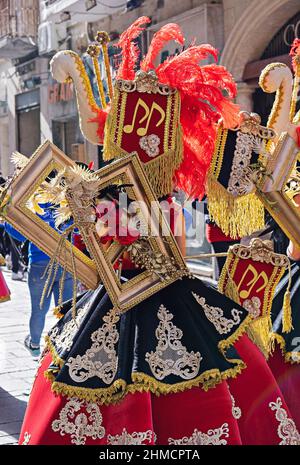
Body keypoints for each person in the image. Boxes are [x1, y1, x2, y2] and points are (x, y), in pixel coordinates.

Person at [18, 18, 299, 445]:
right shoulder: (115, 192)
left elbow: (252, 172)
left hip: (153, 292)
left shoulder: (132, 191)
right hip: (127, 293)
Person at [5, 203, 74, 357]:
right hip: (66, 263)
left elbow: (20, 234)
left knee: (38, 309)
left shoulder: (33, 205)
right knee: (65, 310)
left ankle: (35, 344)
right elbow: (77, 229)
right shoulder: (66, 203)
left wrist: (5, 222)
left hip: (39, 264)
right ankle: (64, 347)